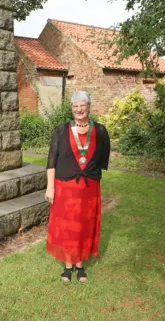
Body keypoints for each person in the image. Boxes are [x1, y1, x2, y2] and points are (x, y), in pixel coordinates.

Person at [45, 91, 111, 283]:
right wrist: (50, 187)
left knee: (84, 226)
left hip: (89, 189)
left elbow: (102, 158)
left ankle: (80, 266)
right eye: (75, 106)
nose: (79, 109)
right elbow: (51, 160)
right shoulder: (61, 130)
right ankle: (67, 266)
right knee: (66, 227)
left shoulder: (100, 131)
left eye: (83, 106)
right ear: (72, 109)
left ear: (89, 107)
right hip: (65, 187)